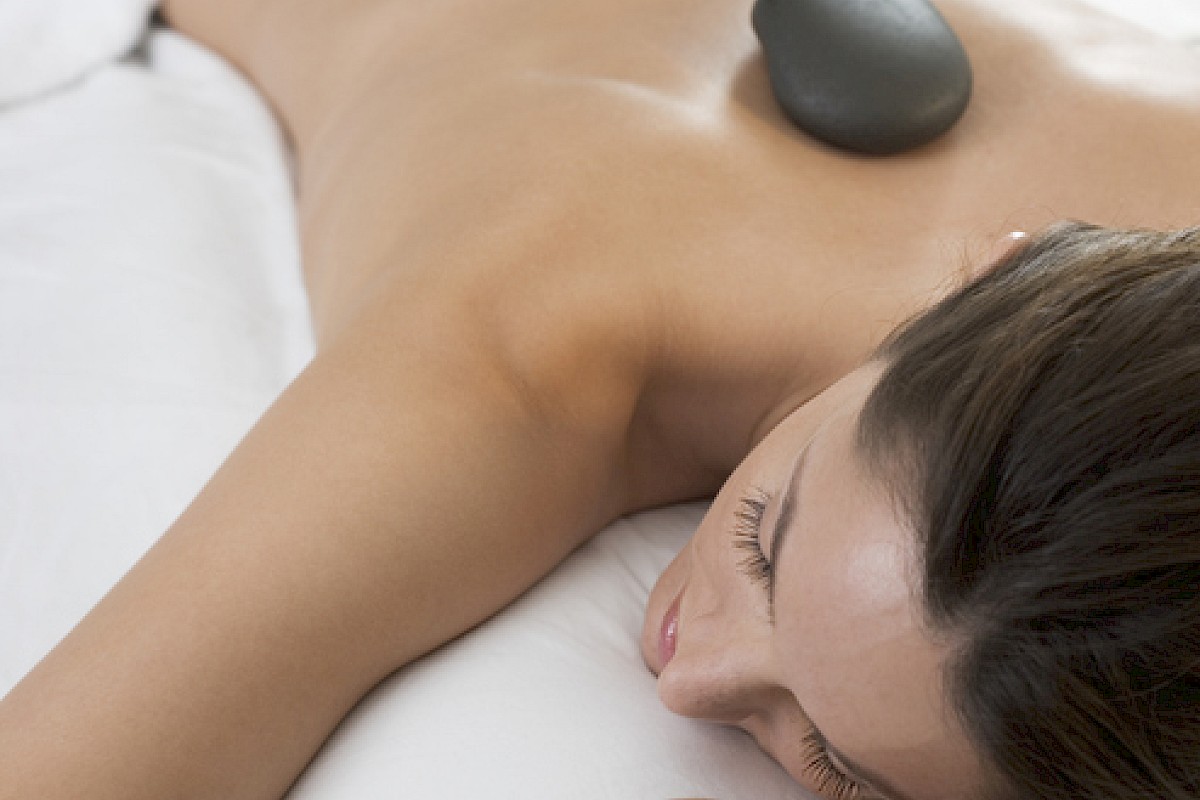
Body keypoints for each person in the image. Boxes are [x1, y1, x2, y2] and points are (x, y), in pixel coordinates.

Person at [1, 1, 1198, 798]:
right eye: (759, 540)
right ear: (985, 270)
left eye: (835, 763)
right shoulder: (522, 356)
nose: (692, 677)